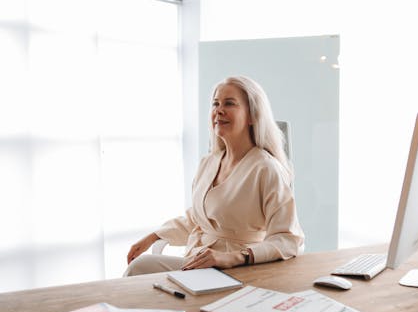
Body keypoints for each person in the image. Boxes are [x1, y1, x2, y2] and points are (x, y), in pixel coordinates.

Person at [124, 75, 304, 276]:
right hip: (198, 262)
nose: (218, 110)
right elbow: (198, 219)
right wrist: (153, 236)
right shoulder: (209, 162)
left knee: (139, 270)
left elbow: (289, 240)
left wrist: (234, 257)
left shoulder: (266, 168)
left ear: (253, 116)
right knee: (139, 269)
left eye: (229, 103)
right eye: (215, 103)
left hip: (238, 269)